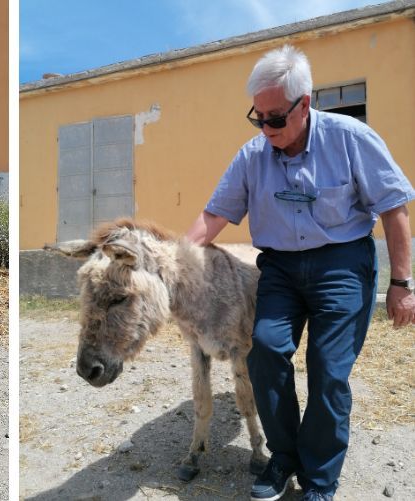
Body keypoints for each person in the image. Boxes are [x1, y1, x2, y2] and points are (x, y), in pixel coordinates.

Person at [186, 45, 414, 501]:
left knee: (328, 371)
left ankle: (319, 481)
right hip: (282, 270)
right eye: (258, 118)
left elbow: (394, 209)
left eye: (275, 118)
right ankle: (284, 458)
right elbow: (215, 215)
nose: (266, 128)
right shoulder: (252, 156)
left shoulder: (351, 138)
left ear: (304, 104)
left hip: (342, 265)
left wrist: (402, 284)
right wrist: (173, 258)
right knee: (265, 351)